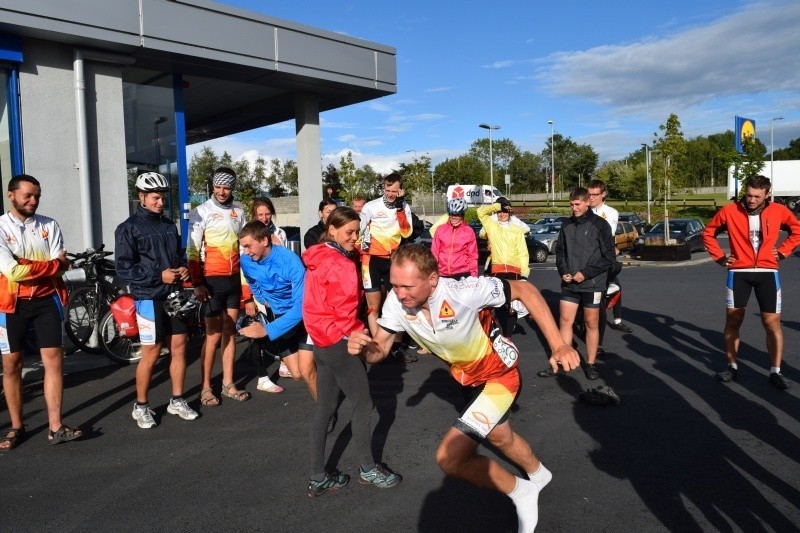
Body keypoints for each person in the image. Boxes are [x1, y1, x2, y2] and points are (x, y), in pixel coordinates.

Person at [347, 244, 580, 532]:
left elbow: (525, 290)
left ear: (432, 279)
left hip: (500, 376)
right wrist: (364, 349)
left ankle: (522, 491)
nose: (399, 293)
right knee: (500, 436)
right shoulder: (397, 302)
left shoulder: (463, 291)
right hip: (467, 379)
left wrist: (558, 344)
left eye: (407, 285)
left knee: (450, 459)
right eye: (394, 285)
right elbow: (379, 350)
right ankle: (540, 475)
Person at [302, 207, 401, 496]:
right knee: (363, 404)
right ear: (331, 230)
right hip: (340, 343)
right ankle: (368, 469)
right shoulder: (341, 264)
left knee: (324, 407)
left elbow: (313, 304)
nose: (355, 238)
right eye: (349, 232)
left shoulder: (316, 257)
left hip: (320, 342)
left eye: (357, 232)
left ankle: (318, 476)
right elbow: (345, 310)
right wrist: (359, 336)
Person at [0, 174, 82, 449]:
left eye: (37, 196)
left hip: (47, 300)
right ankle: (16, 426)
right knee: (12, 366)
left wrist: (31, 265)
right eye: (28, 195)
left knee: (54, 361)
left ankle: (56, 426)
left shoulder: (48, 224)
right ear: (11, 195)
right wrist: (48, 265)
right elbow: (13, 272)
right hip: (12, 304)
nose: (33, 200)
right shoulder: (0, 227)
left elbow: (63, 265)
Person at [115, 172, 199, 428]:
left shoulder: (167, 225)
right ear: (141, 197)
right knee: (150, 353)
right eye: (155, 197)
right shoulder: (127, 228)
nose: (160, 202)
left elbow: (177, 255)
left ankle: (177, 399)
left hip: (174, 296)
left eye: (162, 197)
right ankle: (140, 406)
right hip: (148, 299)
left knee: (180, 347)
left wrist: (183, 267)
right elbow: (123, 268)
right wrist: (158, 275)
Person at [702, 174, 800, 390]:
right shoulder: (730, 210)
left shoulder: (779, 211)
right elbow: (708, 233)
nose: (752, 200)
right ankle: (732, 366)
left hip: (767, 272)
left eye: (757, 196)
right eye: (748, 195)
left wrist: (783, 252)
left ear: (767, 195)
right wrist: (719, 257)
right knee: (733, 321)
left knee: (771, 323)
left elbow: (797, 230)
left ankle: (776, 370)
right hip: (739, 272)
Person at [187, 167, 250, 406]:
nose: (222, 192)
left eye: (227, 187)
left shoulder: (239, 211)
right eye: (219, 187)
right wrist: (197, 283)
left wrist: (247, 289)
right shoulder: (201, 212)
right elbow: (192, 251)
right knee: (212, 337)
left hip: (233, 280)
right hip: (211, 281)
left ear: (232, 188)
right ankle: (205, 387)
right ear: (212, 187)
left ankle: (228, 383)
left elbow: (244, 249)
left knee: (230, 332)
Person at [237, 221, 317, 398]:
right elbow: (251, 279)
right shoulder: (246, 260)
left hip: (302, 318)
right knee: (296, 374)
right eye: (243, 247)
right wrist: (260, 297)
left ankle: (326, 409)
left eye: (249, 246)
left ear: (264, 240)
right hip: (278, 315)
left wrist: (266, 330)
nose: (246, 252)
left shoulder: (290, 261)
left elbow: (300, 308)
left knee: (307, 370)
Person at [553, 187, 615, 381]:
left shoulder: (600, 225)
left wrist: (585, 274)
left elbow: (609, 257)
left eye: (577, 204)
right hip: (570, 284)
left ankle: (590, 363)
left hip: (593, 284)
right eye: (571, 205)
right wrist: (564, 272)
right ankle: (563, 361)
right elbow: (560, 252)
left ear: (588, 202)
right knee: (565, 321)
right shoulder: (566, 225)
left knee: (591, 323)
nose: (574, 208)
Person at [359, 172, 414, 362]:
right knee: (373, 307)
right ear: (383, 188)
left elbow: (407, 231)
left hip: (393, 260)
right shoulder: (371, 206)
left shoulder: (404, 206)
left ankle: (396, 348)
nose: (391, 194)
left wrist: (399, 207)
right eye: (388, 190)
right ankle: (377, 347)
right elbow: (358, 230)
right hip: (371, 260)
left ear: (400, 190)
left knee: (399, 304)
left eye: (394, 190)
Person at [587, 179, 633, 342]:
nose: (591, 198)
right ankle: (596, 335)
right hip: (587, 259)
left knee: (615, 288)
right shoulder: (583, 210)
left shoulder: (611, 212)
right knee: (598, 295)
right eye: (589, 194)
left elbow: (607, 234)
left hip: (604, 258)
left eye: (595, 195)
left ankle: (616, 321)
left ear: (603, 194)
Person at [477, 197, 530, 336]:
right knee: (498, 303)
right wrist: (497, 206)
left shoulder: (517, 230)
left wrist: (524, 274)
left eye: (504, 212)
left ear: (509, 213)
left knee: (512, 306)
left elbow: (523, 253)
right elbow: (481, 212)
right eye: (499, 212)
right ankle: (496, 332)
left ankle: (508, 336)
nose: (501, 214)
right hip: (497, 271)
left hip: (515, 271)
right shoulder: (492, 226)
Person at [431, 197, 478, 279]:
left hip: (462, 273)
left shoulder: (469, 231)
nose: (453, 217)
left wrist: (474, 275)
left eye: (457, 215)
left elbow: (472, 255)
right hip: (442, 273)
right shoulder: (440, 229)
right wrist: (432, 270)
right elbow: (434, 251)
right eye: (451, 214)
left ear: (462, 215)